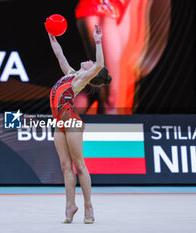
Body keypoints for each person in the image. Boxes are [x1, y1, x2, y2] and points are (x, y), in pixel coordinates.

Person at [48, 24, 108, 224]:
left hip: (71, 121)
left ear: (92, 74)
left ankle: (88, 206)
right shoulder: (70, 73)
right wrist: (52, 36)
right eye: (90, 61)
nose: (89, 61)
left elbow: (99, 64)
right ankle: (70, 206)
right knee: (65, 166)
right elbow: (59, 55)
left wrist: (98, 40)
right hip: (59, 123)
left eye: (91, 63)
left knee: (79, 166)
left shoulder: (82, 79)